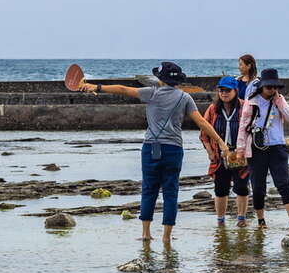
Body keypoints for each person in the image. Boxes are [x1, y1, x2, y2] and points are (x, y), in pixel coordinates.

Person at [77, 61, 225, 243]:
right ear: (178, 80)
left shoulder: (152, 93)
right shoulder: (185, 98)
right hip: (174, 149)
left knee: (149, 190)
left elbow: (123, 89)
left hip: (151, 147)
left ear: (160, 79)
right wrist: (221, 143)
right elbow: (202, 122)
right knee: (171, 192)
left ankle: (146, 234)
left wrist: (96, 87)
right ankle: (166, 237)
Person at [235, 68, 289, 232]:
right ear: (262, 87)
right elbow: (243, 127)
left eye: (275, 87)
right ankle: (261, 221)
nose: (272, 90)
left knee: (284, 184)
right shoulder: (252, 102)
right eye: (269, 87)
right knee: (258, 187)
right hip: (256, 149)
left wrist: (279, 101)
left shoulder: (279, 100)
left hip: (277, 147)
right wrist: (240, 150)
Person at [201, 75, 250, 226]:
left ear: (235, 91)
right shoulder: (212, 109)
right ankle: (220, 220)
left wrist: (246, 151)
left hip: (240, 154)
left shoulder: (244, 107)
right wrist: (210, 152)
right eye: (221, 90)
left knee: (241, 187)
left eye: (228, 90)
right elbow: (204, 133)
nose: (224, 93)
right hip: (219, 155)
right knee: (220, 189)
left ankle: (241, 218)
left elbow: (251, 131)